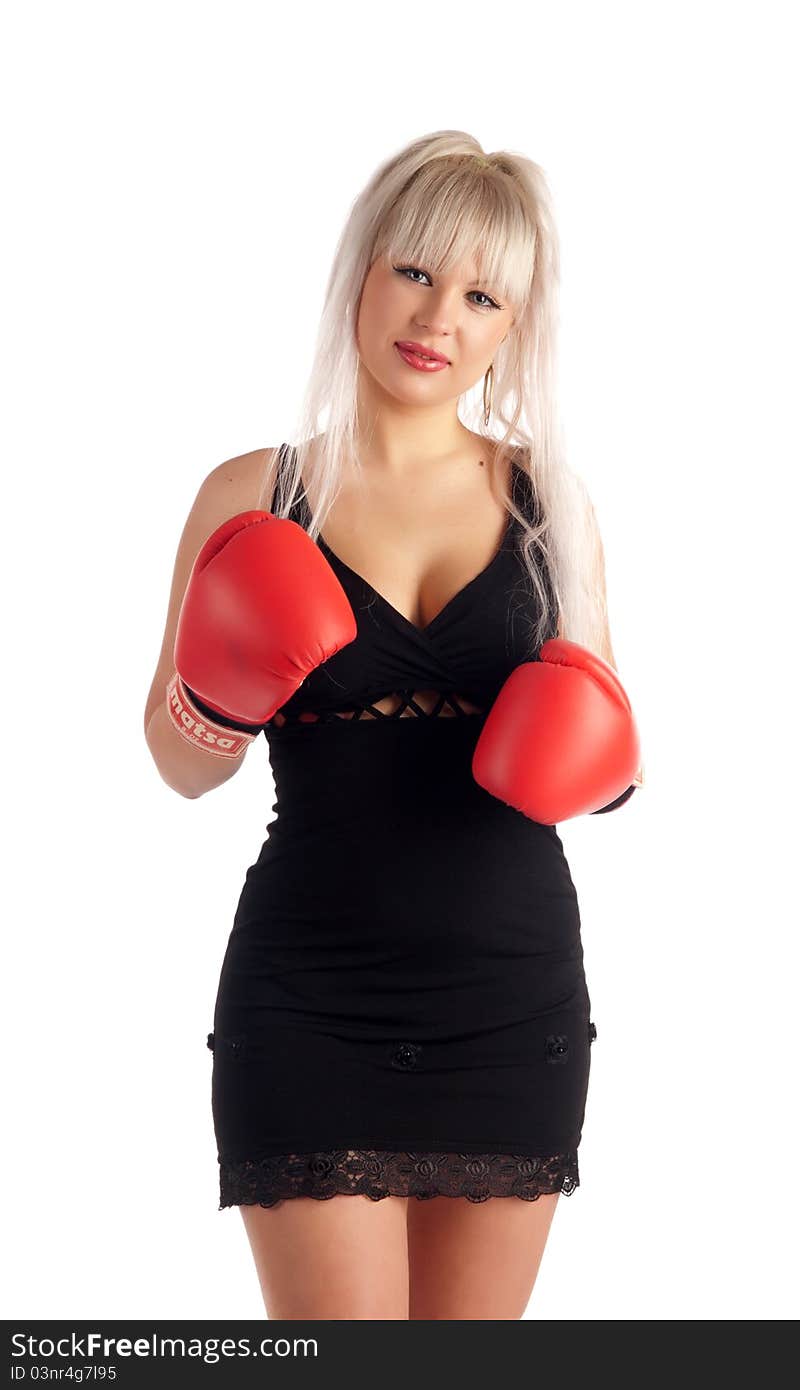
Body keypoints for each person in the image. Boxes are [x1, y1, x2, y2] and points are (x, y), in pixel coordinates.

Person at [143, 130, 643, 1320]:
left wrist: (590, 755)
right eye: (416, 271)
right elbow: (176, 765)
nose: (439, 317)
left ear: (511, 326)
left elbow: (614, 753)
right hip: (308, 994)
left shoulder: (546, 505)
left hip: (509, 998)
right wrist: (220, 690)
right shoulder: (254, 493)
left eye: (482, 295)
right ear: (364, 271)